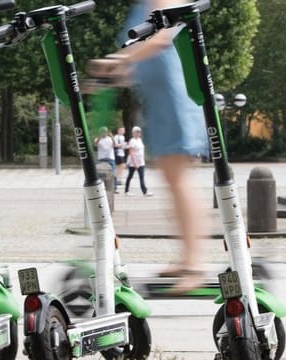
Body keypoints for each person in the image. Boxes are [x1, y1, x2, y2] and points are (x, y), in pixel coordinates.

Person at [88, 0, 209, 293]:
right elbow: (141, 56)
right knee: (172, 179)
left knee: (179, 179)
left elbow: (160, 37)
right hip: (159, 99)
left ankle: (195, 265)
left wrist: (118, 60)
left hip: (173, 97)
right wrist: (111, 75)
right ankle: (187, 259)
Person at [124, 126, 154, 197]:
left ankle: (145, 192)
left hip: (141, 162)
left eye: (139, 132)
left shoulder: (140, 140)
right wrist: (135, 163)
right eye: (136, 132)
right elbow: (131, 152)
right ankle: (126, 191)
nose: (138, 133)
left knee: (141, 177)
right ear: (133, 133)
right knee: (130, 176)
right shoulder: (132, 140)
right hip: (134, 163)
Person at [94, 127, 118, 193]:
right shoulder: (98, 139)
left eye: (105, 132)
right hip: (102, 158)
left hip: (110, 158)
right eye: (103, 132)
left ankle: (114, 188)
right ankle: (101, 188)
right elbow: (95, 144)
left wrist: (112, 137)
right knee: (101, 175)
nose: (104, 133)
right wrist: (99, 137)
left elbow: (115, 145)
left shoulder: (110, 139)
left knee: (113, 174)